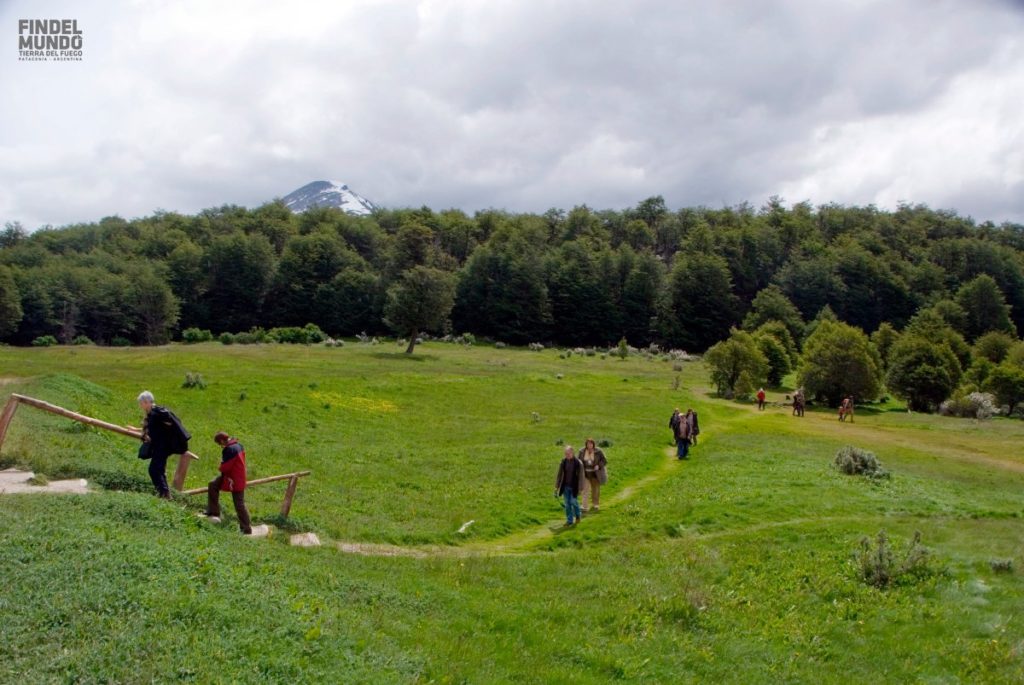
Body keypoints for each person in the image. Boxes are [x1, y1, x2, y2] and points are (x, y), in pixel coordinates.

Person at [137, 391, 191, 498]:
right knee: (158, 469)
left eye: (141, 402)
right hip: (159, 446)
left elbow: (171, 424)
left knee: (154, 469)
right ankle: (165, 494)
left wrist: (164, 436)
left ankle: (164, 494)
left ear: (147, 402)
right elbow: (156, 427)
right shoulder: (152, 413)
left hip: (163, 447)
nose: (140, 405)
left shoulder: (158, 412)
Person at [204, 432, 252, 534]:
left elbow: (225, 467)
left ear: (221, 441)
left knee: (239, 504)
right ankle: (213, 512)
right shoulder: (238, 445)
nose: (220, 446)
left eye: (219, 443)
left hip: (235, 479)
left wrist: (220, 467)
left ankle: (246, 528)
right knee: (213, 485)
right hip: (234, 476)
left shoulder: (229, 449)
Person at [554, 445, 585, 526]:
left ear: (572, 453)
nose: (566, 455)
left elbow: (581, 477)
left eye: (568, 453)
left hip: (574, 487)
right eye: (565, 454)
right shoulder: (563, 462)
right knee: (567, 504)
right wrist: (556, 487)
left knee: (573, 501)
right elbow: (559, 475)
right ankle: (569, 520)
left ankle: (578, 515)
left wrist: (581, 488)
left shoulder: (578, 463)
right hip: (565, 487)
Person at [578, 438, 608, 513]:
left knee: (595, 490)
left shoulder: (598, 451)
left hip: (595, 474)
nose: (589, 445)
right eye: (588, 444)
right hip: (585, 474)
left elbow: (604, 460)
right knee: (585, 490)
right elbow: (578, 461)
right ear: (586, 444)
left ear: (593, 444)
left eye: (591, 444)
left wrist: (598, 465)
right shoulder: (582, 451)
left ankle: (595, 504)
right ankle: (584, 506)